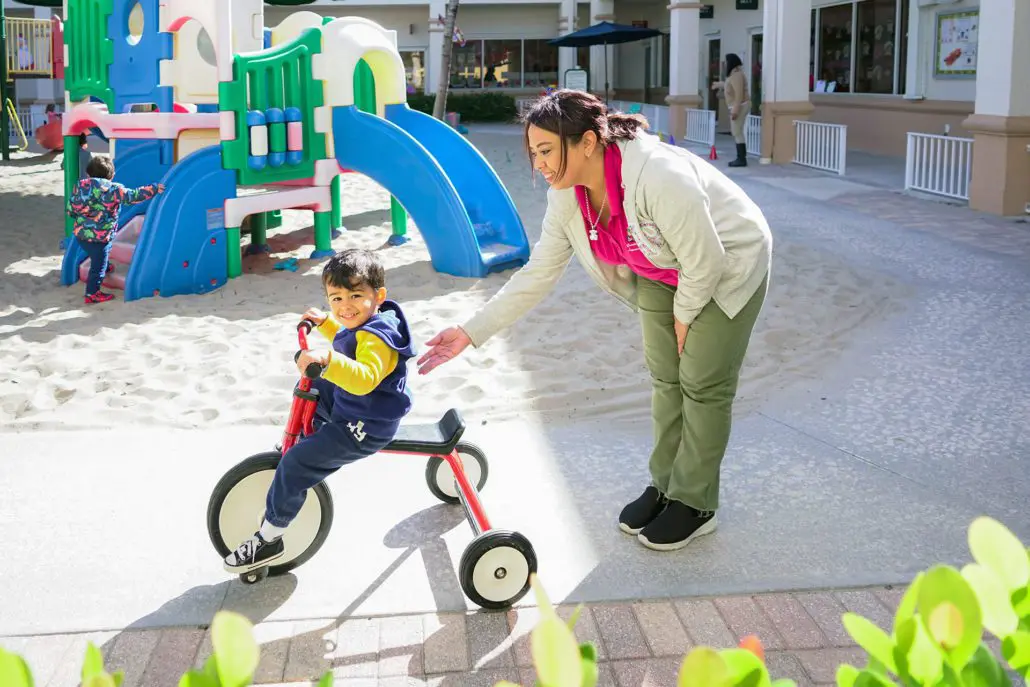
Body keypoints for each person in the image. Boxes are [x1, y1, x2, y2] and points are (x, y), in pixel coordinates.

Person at [417, 90, 772, 551]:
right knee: (666, 379)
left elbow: (706, 260)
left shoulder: (658, 175)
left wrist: (684, 317)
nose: (540, 164)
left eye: (547, 151)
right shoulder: (567, 196)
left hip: (726, 265)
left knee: (702, 384)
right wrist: (470, 332)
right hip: (661, 269)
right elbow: (539, 272)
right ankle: (665, 486)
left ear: (587, 142)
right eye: (534, 153)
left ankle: (695, 502)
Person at [224, 249, 417, 573]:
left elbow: (364, 379)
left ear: (379, 296)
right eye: (336, 298)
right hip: (353, 405)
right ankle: (305, 440)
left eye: (355, 296)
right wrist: (325, 324)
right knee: (313, 386)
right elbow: (348, 337)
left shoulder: (378, 340)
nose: (345, 306)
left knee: (298, 462)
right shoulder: (365, 321)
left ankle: (270, 539)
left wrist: (328, 359)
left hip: (365, 426)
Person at [67, 154, 163, 304]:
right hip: (100, 237)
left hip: (80, 235)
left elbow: (71, 209)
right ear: (111, 176)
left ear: (88, 174)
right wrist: (154, 188)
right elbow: (134, 196)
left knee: (96, 256)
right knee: (97, 266)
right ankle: (92, 293)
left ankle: (104, 266)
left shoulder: (80, 187)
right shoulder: (114, 189)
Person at [723, 53, 750, 168]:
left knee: (737, 132)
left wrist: (735, 111)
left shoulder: (736, 75)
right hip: (738, 105)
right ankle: (741, 157)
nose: (725, 64)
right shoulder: (735, 75)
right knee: (737, 131)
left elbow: (739, 94)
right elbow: (731, 86)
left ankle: (741, 159)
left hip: (739, 106)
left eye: (726, 61)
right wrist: (720, 85)